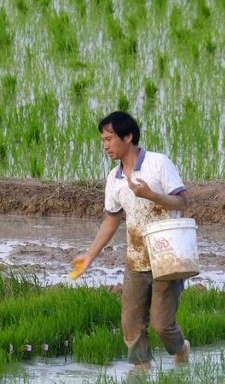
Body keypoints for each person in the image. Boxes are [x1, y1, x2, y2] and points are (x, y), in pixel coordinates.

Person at [72, 111, 192, 369]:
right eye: (103, 140)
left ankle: (181, 349)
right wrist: (89, 255)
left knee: (161, 324)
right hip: (136, 258)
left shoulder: (158, 164)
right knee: (131, 325)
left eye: (109, 139)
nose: (105, 145)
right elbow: (112, 220)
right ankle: (141, 371)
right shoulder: (114, 179)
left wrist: (151, 195)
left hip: (167, 256)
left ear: (128, 137)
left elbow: (182, 202)